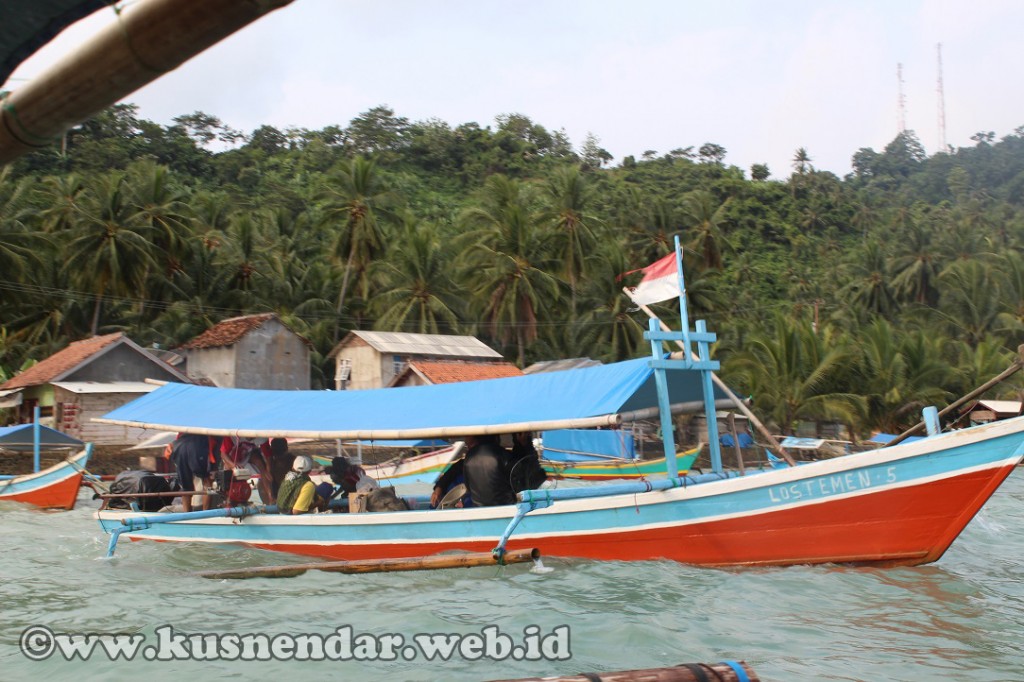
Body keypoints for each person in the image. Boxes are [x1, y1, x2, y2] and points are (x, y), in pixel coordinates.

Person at [169, 433, 213, 513]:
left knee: (185, 485)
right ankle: (206, 513)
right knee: (206, 479)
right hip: (196, 444)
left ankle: (187, 514)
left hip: (179, 445)